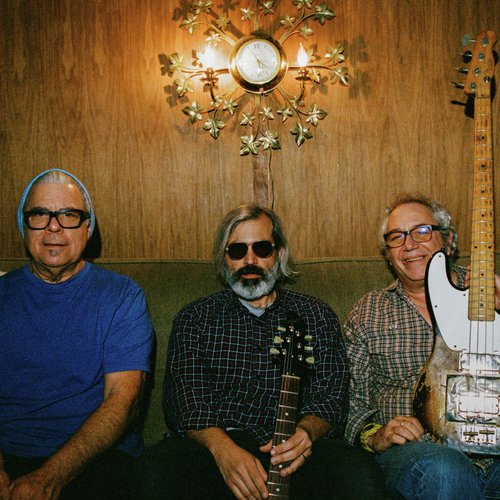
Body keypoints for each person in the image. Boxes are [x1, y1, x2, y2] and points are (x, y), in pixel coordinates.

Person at [138, 204, 386, 500]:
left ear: (279, 254)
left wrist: (306, 433)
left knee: (358, 474)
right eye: (237, 251)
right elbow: (185, 402)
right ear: (224, 258)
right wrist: (224, 452)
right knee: (155, 472)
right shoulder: (195, 318)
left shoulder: (316, 314)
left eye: (262, 248)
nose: (250, 260)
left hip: (296, 448)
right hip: (215, 448)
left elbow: (332, 396)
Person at [0, 168, 154, 499]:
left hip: (95, 459)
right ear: (24, 227)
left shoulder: (122, 296)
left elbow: (123, 401)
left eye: (69, 215)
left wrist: (49, 477)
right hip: (9, 452)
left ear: (88, 228)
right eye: (39, 214)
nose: (53, 226)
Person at [343, 193, 500, 499]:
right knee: (446, 469)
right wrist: (375, 435)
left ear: (448, 241)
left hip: (493, 449)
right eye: (396, 236)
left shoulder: (488, 292)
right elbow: (349, 404)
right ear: (388, 254)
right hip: (419, 454)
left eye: (422, 231)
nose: (409, 244)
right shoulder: (369, 312)